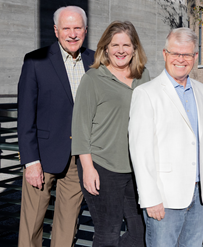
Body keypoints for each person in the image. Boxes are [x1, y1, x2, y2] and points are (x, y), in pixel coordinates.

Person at [17, 6, 94, 247]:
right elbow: (25, 115)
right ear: (56, 31)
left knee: (67, 226)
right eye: (66, 28)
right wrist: (30, 162)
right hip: (42, 158)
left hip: (78, 158)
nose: (72, 34)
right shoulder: (35, 61)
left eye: (77, 28)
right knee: (31, 225)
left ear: (85, 30)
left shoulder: (95, 61)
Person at [129, 27, 203, 247]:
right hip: (164, 198)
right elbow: (140, 151)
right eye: (175, 53)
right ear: (165, 54)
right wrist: (150, 198)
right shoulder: (147, 93)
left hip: (198, 195)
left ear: (195, 57)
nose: (181, 59)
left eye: (187, 54)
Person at [71, 21, 150, 247]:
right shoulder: (93, 79)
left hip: (136, 168)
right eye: (115, 45)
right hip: (103, 167)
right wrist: (87, 168)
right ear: (105, 48)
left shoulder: (145, 77)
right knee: (108, 234)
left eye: (126, 44)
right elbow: (80, 128)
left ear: (135, 48)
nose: (121, 50)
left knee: (140, 232)